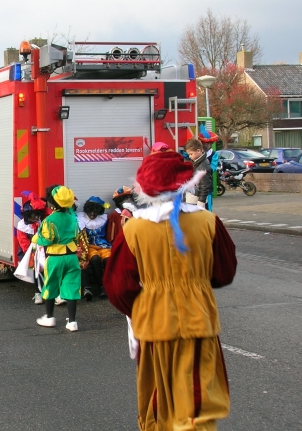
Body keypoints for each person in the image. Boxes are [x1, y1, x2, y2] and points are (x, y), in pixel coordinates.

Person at [103, 151, 237, 431]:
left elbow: (118, 286)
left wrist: (144, 305)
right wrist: (196, 284)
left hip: (153, 324)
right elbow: (224, 272)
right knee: (195, 404)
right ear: (185, 184)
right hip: (198, 321)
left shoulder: (133, 229)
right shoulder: (208, 222)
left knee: (158, 402)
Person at [33, 185, 82, 331]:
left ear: (52, 202)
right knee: (72, 287)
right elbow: (76, 236)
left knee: (51, 285)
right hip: (72, 257)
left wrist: (36, 239)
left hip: (55, 258)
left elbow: (47, 240)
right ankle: (72, 322)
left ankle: (49, 317)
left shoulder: (50, 220)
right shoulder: (72, 218)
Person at [76, 196, 111, 300]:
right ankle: (101, 286)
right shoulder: (81, 219)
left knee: (109, 260)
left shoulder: (104, 219)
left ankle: (110, 286)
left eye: (95, 212)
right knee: (95, 260)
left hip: (104, 245)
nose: (92, 214)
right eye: (90, 211)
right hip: (89, 246)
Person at [16, 192, 47, 304]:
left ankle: (50, 292)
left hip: (43, 248)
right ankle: (37, 293)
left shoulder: (42, 222)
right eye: (33, 215)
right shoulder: (22, 226)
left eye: (37, 215)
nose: (36, 218)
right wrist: (35, 254)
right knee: (36, 267)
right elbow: (24, 244)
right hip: (29, 251)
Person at [185, 138, 212, 210]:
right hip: (192, 198)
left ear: (198, 151)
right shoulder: (196, 162)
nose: (189, 156)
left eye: (191, 154)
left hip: (196, 201)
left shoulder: (203, 166)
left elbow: (205, 186)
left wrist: (201, 202)